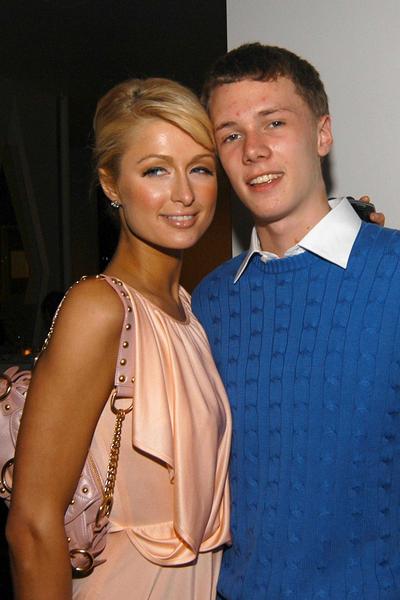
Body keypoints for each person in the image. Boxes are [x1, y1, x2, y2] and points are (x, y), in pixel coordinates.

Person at [6, 78, 231, 600]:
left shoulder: (190, 313)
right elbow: (32, 526)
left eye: (200, 168)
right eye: (155, 170)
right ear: (111, 184)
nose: (184, 193)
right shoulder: (99, 308)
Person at [192, 43, 399, 599]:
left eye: (274, 122)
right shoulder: (209, 301)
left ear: (322, 134)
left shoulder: (394, 273)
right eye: (230, 135)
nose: (253, 150)